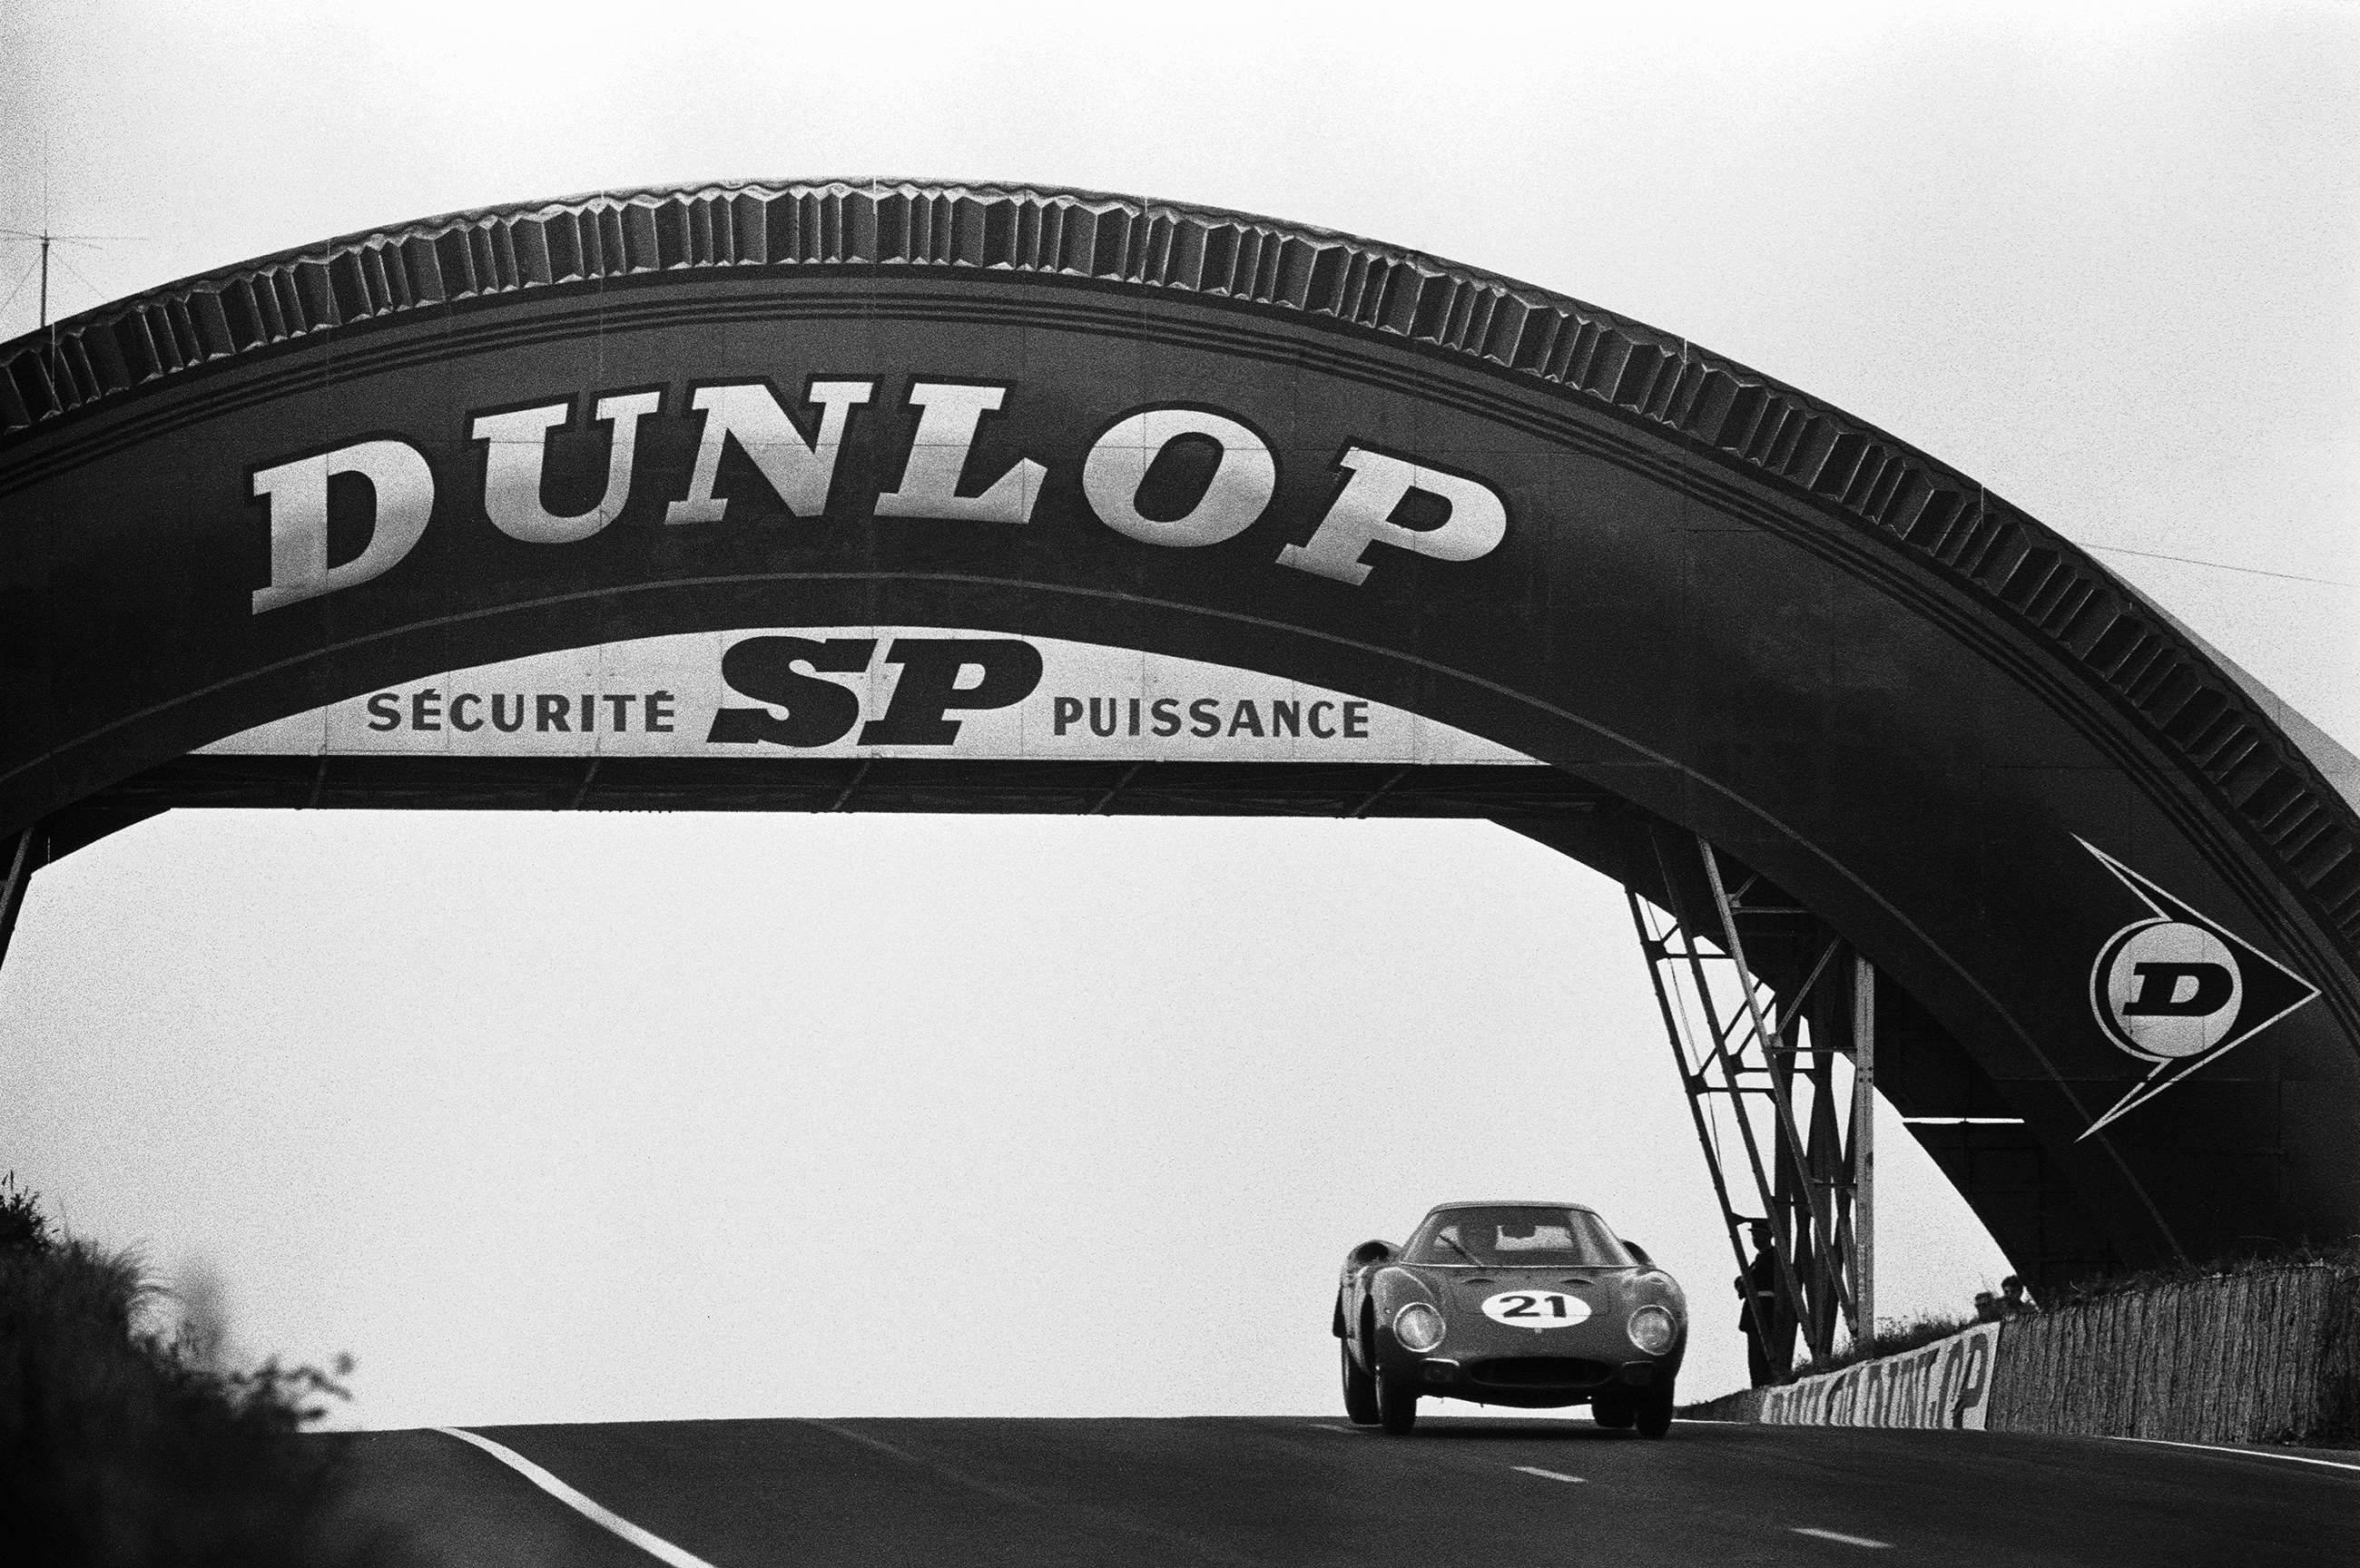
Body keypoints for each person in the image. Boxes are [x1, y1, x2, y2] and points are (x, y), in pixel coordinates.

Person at [1735, 1220, 1779, 1386]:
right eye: (1754, 1236)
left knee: (1761, 1351)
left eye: (1758, 1235)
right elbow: (1745, 1280)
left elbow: (1751, 1280)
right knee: (1754, 1352)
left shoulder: (1771, 1257)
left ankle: (1763, 1381)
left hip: (1764, 1309)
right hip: (1755, 1311)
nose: (1755, 1239)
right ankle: (1758, 1382)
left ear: (1767, 1237)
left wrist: (1743, 1282)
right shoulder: (1759, 1259)